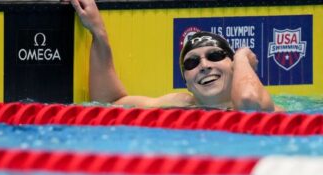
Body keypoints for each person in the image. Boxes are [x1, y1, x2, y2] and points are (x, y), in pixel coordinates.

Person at [69, 0, 282, 111]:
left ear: (234, 66)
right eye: (192, 62)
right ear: (187, 83)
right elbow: (108, 102)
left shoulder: (268, 106)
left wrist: (242, 56)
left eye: (215, 56)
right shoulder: (179, 103)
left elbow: (249, 104)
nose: (204, 65)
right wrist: (98, 33)